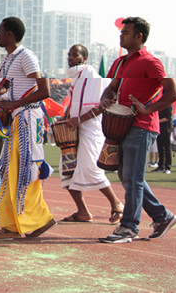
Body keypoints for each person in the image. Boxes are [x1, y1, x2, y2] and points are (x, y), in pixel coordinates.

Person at [99, 17, 176, 243]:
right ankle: (162, 216)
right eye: (121, 32)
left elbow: (173, 93)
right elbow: (111, 88)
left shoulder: (151, 62)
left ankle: (129, 228)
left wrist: (148, 109)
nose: (121, 35)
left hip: (142, 126)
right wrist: (106, 99)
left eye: (125, 32)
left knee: (133, 178)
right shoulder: (120, 63)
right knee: (128, 177)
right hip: (122, 126)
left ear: (139, 37)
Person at [0, 17, 54, 241]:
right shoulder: (9, 59)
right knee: (11, 173)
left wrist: (11, 104)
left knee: (23, 171)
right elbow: (9, 88)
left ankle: (33, 220)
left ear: (10, 35)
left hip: (26, 118)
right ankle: (15, 224)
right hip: (16, 118)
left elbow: (45, 90)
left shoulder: (26, 56)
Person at [58, 45, 124, 224]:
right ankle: (82, 212)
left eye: (75, 55)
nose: (71, 58)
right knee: (67, 170)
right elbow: (73, 105)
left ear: (84, 58)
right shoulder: (77, 78)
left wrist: (79, 120)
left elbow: (102, 105)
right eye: (69, 55)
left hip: (90, 129)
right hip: (73, 130)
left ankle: (116, 203)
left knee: (91, 168)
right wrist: (64, 119)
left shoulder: (91, 76)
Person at [153, 106, 173, 172]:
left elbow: (168, 118)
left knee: (167, 147)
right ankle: (161, 166)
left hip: (166, 129)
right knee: (160, 147)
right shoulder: (158, 105)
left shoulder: (168, 105)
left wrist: (157, 121)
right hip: (159, 129)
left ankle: (168, 166)